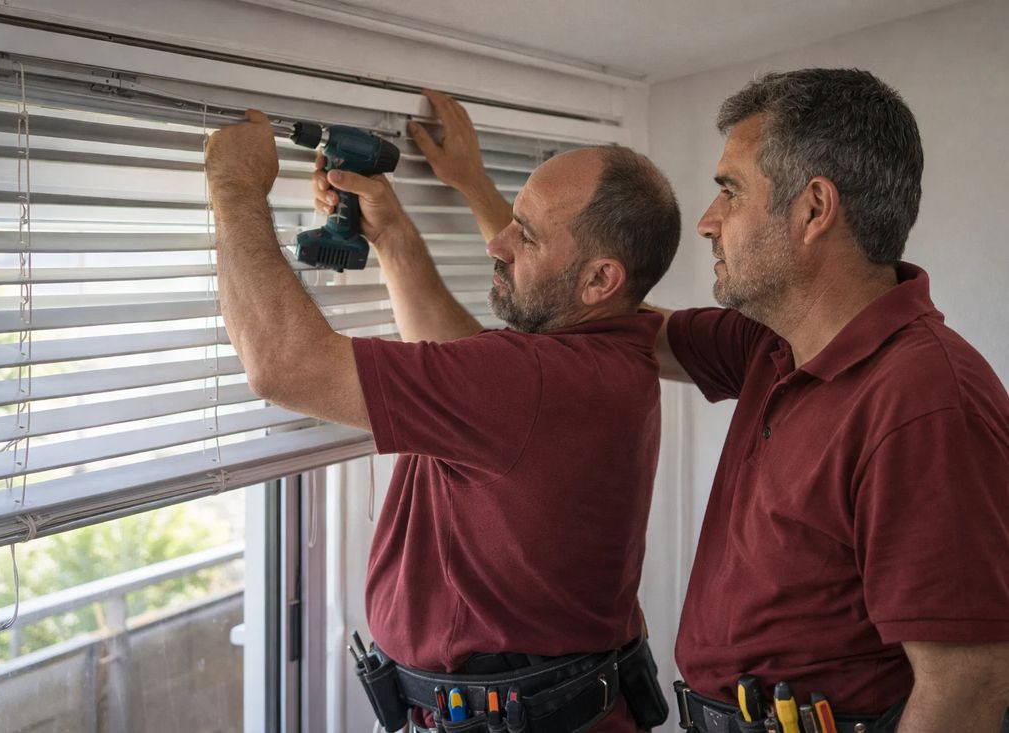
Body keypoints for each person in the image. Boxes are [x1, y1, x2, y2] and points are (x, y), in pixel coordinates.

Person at [414, 71, 1009, 733]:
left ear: (814, 209)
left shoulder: (926, 400)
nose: (707, 221)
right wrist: (491, 203)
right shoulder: (771, 344)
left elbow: (967, 688)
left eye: (730, 191)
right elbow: (587, 297)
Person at [205, 105, 681, 731]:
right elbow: (463, 368)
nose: (496, 244)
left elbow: (283, 364)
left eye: (526, 236)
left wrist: (234, 188)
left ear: (599, 279)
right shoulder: (614, 356)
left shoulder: (532, 381)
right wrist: (392, 236)